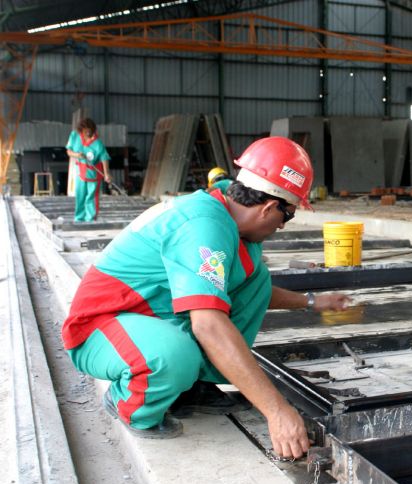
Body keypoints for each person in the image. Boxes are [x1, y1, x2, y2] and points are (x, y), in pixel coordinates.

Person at [61, 136, 350, 461]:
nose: (282, 227)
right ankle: (129, 402)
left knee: (256, 281)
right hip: (99, 327)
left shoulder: (234, 223)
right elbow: (208, 325)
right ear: (269, 207)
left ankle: (187, 389)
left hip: (144, 318)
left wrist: (313, 301)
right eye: (288, 216)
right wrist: (276, 411)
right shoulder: (204, 226)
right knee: (175, 354)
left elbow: (258, 294)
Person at [66, 118, 112, 222]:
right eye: (85, 131)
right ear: (81, 130)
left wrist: (107, 173)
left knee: (91, 197)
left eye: (90, 131)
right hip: (81, 171)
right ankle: (79, 218)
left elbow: (104, 157)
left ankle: (90, 218)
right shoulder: (75, 136)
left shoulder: (97, 143)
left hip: (94, 172)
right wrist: (77, 154)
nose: (88, 133)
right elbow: (69, 152)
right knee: (80, 195)